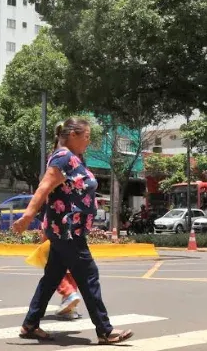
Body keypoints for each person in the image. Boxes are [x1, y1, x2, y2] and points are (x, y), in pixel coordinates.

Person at [13, 117, 134, 345]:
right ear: (72, 135)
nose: (88, 142)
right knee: (89, 276)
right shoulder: (63, 157)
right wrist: (28, 215)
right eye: (86, 137)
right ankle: (105, 331)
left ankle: (30, 324)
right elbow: (44, 186)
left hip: (66, 230)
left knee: (52, 278)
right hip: (67, 231)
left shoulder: (73, 158)